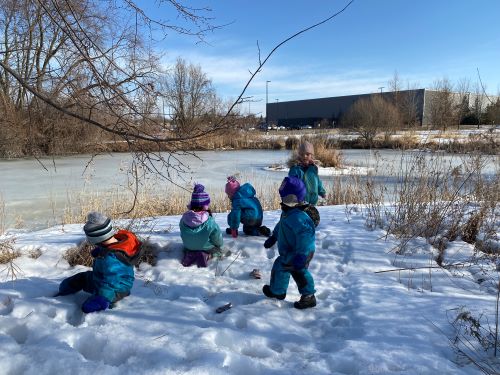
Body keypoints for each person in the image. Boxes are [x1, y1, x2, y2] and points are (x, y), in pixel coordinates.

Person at [57, 212, 142, 313]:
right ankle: (67, 288)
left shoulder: (111, 259)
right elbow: (113, 249)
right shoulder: (119, 243)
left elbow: (111, 282)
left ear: (98, 239)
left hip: (116, 288)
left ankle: (104, 301)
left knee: (88, 307)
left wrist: (102, 299)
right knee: (81, 279)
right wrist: (102, 250)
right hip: (101, 278)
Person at [262, 176, 317, 309]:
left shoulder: (300, 218)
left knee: (299, 272)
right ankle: (278, 291)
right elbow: (281, 225)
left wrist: (302, 255)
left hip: (300, 252)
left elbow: (306, 238)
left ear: (296, 199)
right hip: (289, 251)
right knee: (280, 266)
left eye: (287, 198)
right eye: (283, 198)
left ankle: (309, 296)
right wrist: (274, 237)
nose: (284, 201)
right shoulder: (288, 212)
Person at [179, 184, 223, 267]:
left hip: (189, 246)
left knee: (188, 248)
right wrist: (219, 245)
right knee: (219, 251)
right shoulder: (209, 221)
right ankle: (206, 256)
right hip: (205, 246)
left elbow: (182, 233)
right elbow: (217, 237)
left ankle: (190, 254)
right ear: (205, 206)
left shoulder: (184, 219)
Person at [288, 140, 326, 206]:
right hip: (300, 202)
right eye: (302, 154)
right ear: (299, 155)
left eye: (307, 154)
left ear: (311, 155)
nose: (305, 156)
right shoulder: (295, 169)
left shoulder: (313, 168)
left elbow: (318, 182)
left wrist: (322, 192)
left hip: (313, 202)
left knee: (311, 216)